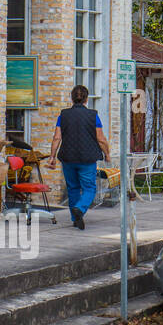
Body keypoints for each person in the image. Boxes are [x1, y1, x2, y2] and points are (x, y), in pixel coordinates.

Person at [48, 84, 111, 230]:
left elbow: (57, 137)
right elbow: (101, 138)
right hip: (87, 158)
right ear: (86, 99)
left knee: (73, 188)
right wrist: (107, 154)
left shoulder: (63, 115)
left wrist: (52, 156)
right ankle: (80, 209)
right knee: (89, 188)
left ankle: (75, 218)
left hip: (68, 158)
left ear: (71, 98)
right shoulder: (93, 115)